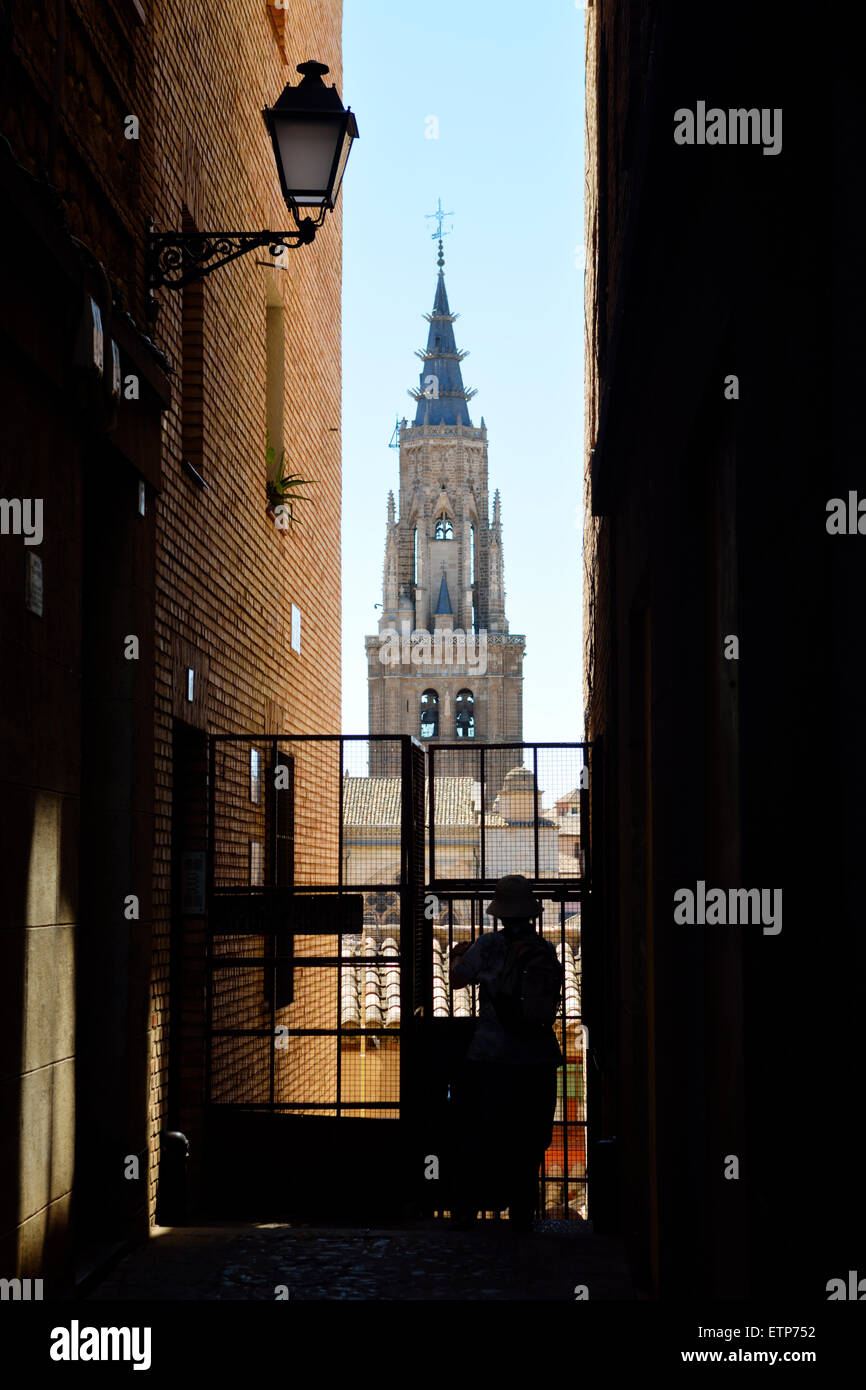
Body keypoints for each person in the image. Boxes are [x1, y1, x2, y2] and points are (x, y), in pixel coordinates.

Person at [448, 874, 563, 1231]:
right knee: (528, 1141)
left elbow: (455, 979)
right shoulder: (543, 950)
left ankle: (467, 1211)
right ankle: (522, 1215)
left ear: (498, 913)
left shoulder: (488, 946)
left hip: (491, 1059)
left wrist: (463, 957)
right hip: (537, 1061)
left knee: (479, 1134)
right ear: (530, 913)